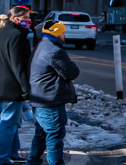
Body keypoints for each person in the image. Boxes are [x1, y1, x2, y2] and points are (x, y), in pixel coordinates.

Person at [26, 20, 77, 165]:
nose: (64, 35)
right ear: (58, 34)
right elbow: (71, 72)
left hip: (40, 99)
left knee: (41, 135)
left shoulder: (40, 46)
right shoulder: (55, 51)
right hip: (51, 101)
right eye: (63, 32)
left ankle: (32, 162)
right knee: (54, 135)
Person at [0, 8, 29, 165]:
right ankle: (3, 158)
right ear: (16, 19)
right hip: (11, 88)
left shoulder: (2, 32)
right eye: (25, 18)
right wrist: (26, 89)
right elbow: (19, 67)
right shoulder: (17, 36)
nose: (28, 21)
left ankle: (13, 152)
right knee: (9, 124)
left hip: (2, 85)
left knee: (10, 122)